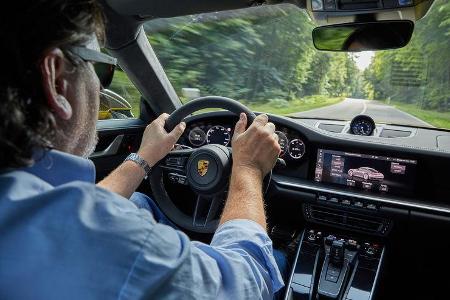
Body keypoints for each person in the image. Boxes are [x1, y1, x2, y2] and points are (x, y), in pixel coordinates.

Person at [0, 1, 287, 299]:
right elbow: (249, 280)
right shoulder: (107, 240)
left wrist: (145, 157)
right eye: (100, 69)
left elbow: (75, 209)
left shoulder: (26, 206)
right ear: (56, 78)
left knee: (139, 202)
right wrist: (248, 167)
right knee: (278, 260)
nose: (99, 89)